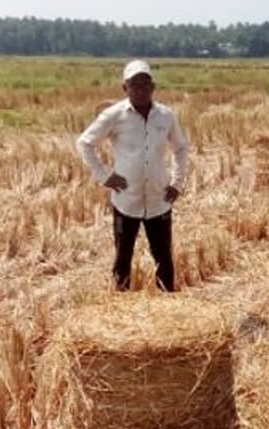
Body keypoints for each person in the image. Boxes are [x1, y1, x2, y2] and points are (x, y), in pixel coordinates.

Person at [76, 59, 190, 292]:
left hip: (159, 199)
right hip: (126, 200)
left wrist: (177, 183)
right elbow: (85, 143)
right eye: (134, 85)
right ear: (124, 88)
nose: (140, 89)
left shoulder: (166, 116)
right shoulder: (113, 115)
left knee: (163, 258)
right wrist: (104, 176)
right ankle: (120, 304)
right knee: (122, 257)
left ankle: (168, 304)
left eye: (145, 84)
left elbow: (180, 148)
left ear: (153, 87)